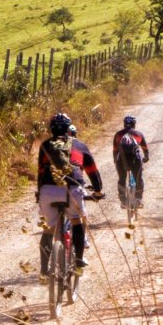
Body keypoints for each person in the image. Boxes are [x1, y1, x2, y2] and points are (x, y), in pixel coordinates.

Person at [35, 112, 102, 271]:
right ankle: (78, 260)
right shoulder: (79, 145)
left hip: (47, 191)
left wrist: (40, 193)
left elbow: (40, 173)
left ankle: (44, 270)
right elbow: (92, 171)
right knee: (77, 221)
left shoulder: (45, 146)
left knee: (48, 229)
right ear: (68, 128)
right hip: (73, 189)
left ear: (51, 129)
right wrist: (98, 191)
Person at [112, 114, 149, 199]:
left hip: (121, 160)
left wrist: (115, 160)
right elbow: (145, 148)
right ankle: (139, 199)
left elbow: (115, 150)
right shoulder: (138, 134)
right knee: (138, 179)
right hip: (135, 159)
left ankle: (123, 200)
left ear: (124, 124)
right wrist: (146, 157)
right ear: (134, 124)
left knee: (122, 179)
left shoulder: (117, 134)